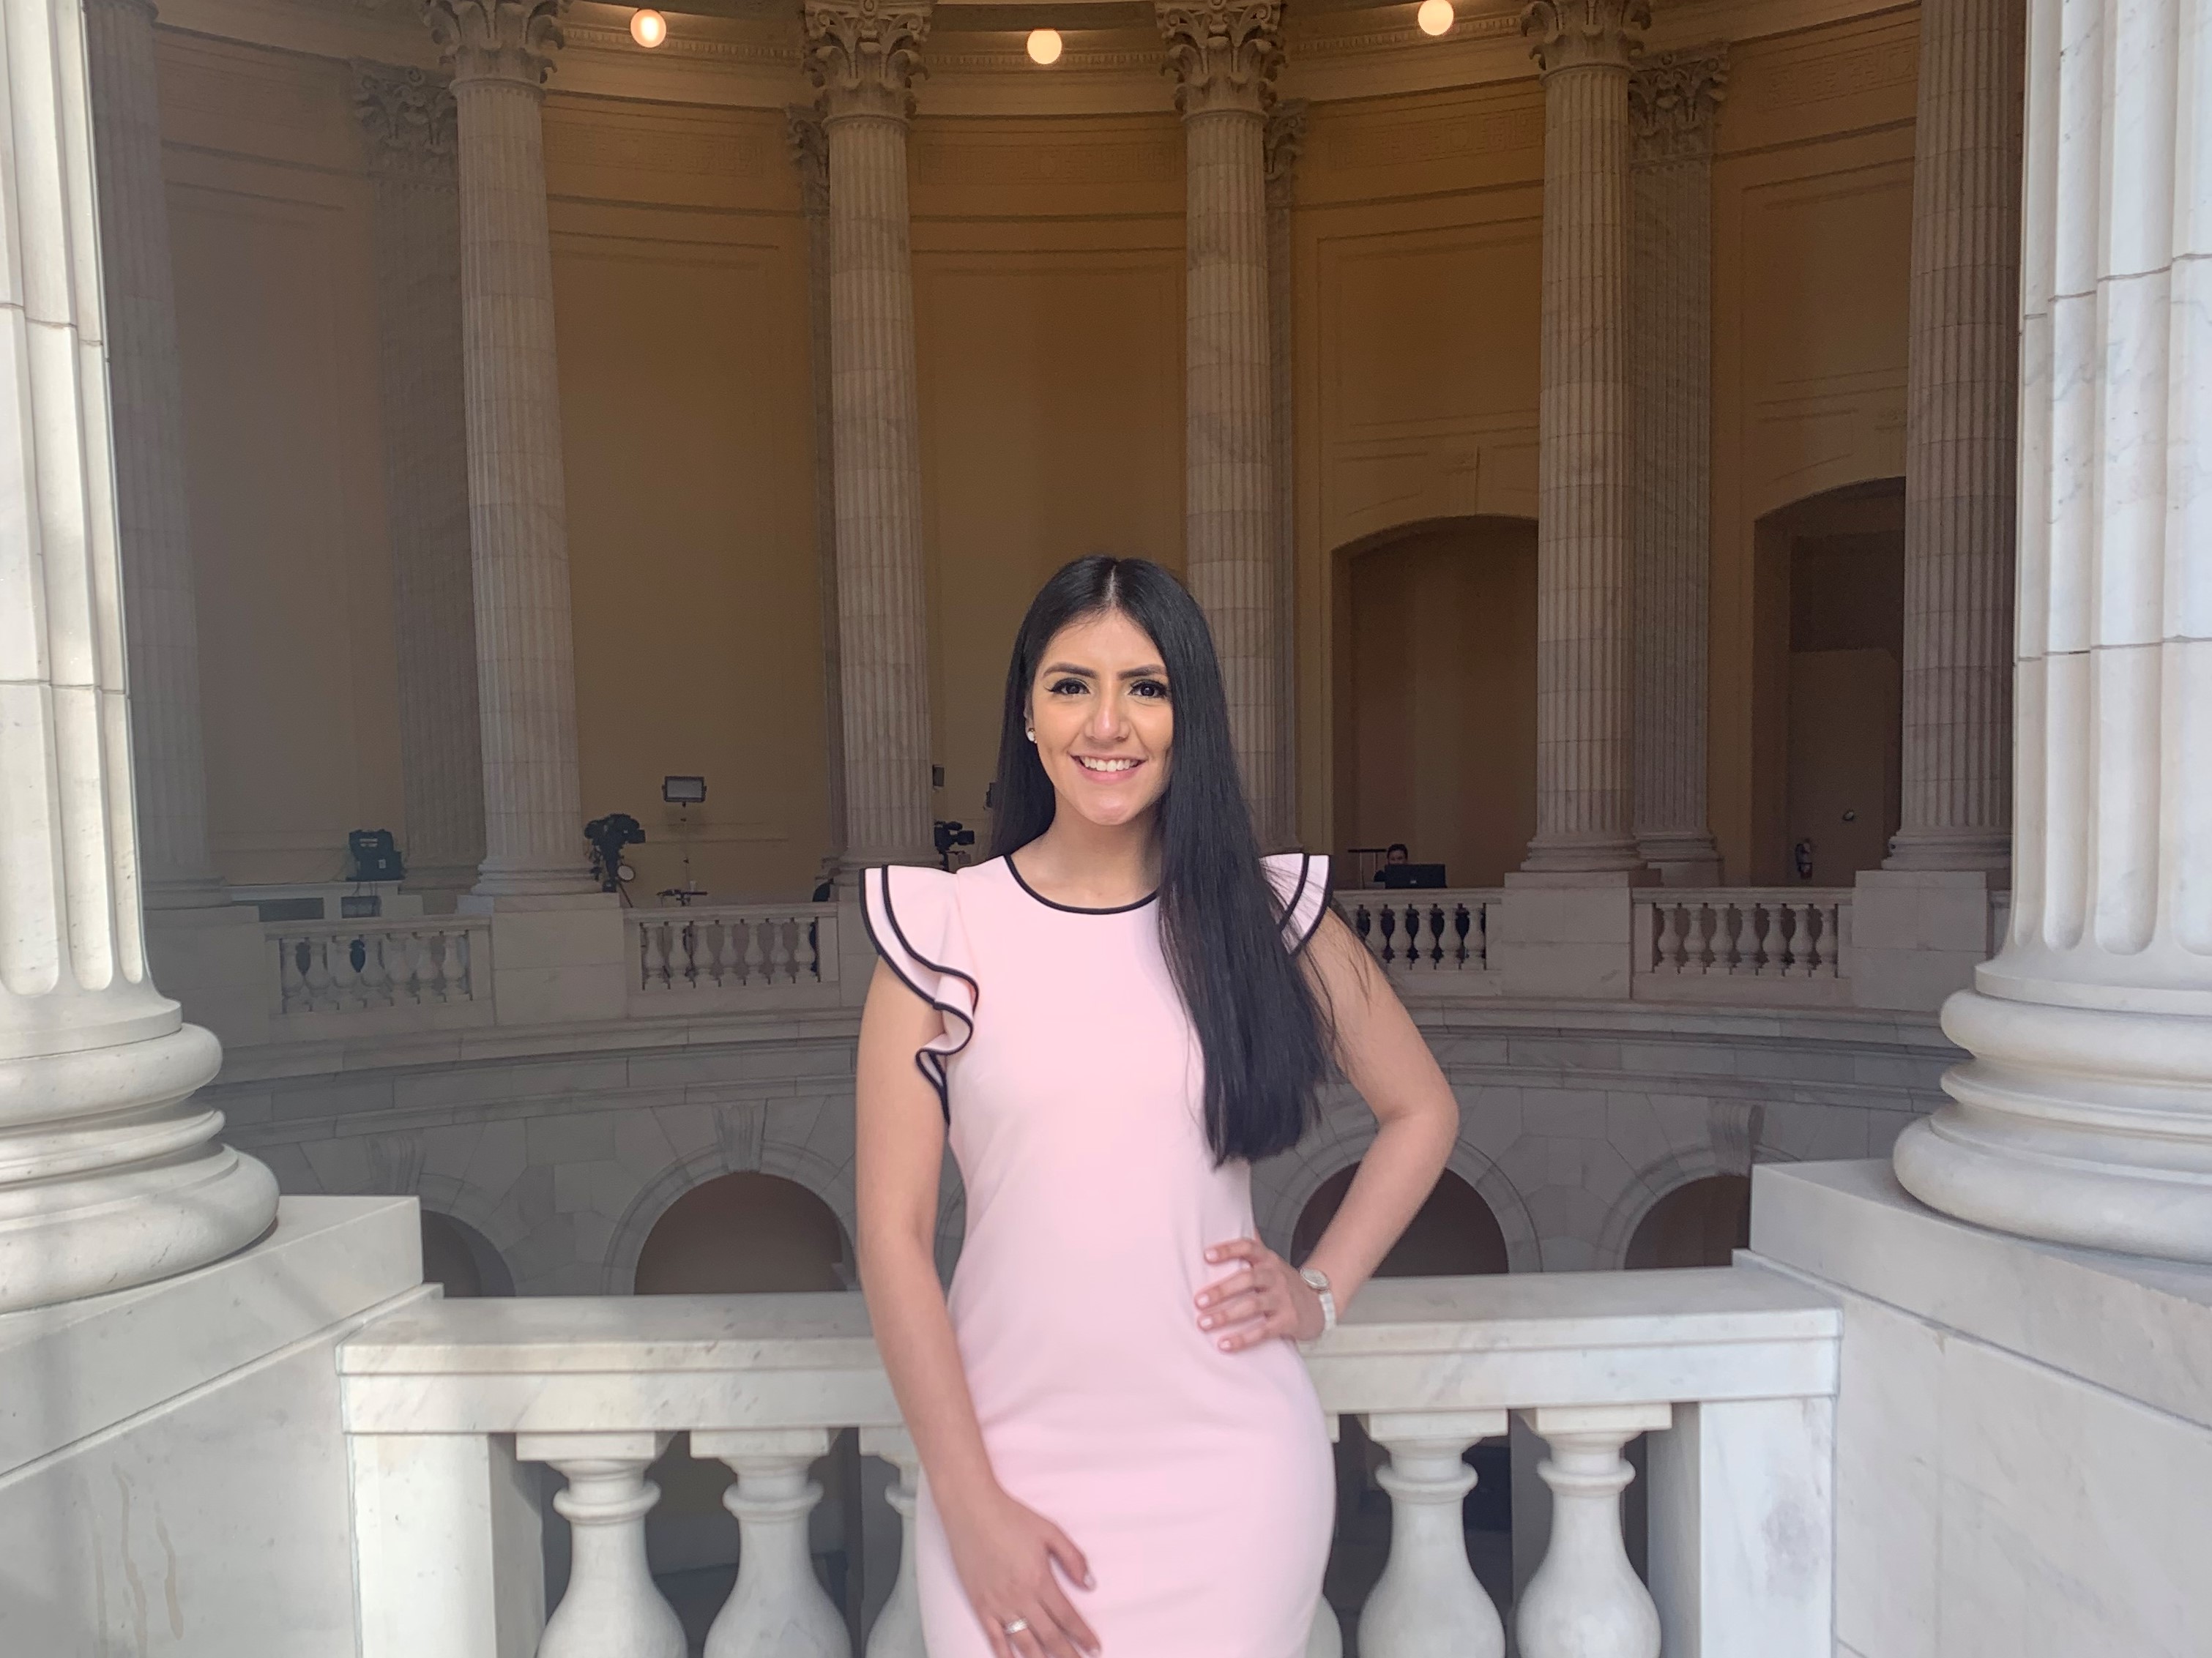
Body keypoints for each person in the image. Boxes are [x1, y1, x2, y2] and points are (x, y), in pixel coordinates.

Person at [855, 556, 1459, 1658]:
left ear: (1190, 716)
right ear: (1027, 714)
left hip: (1229, 1470)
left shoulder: (1265, 914)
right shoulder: (937, 931)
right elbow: (891, 1239)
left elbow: (1421, 1110)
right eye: (1071, 684)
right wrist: (967, 1500)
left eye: (1147, 685)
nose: (1110, 722)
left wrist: (1319, 1289)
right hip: (1001, 1465)